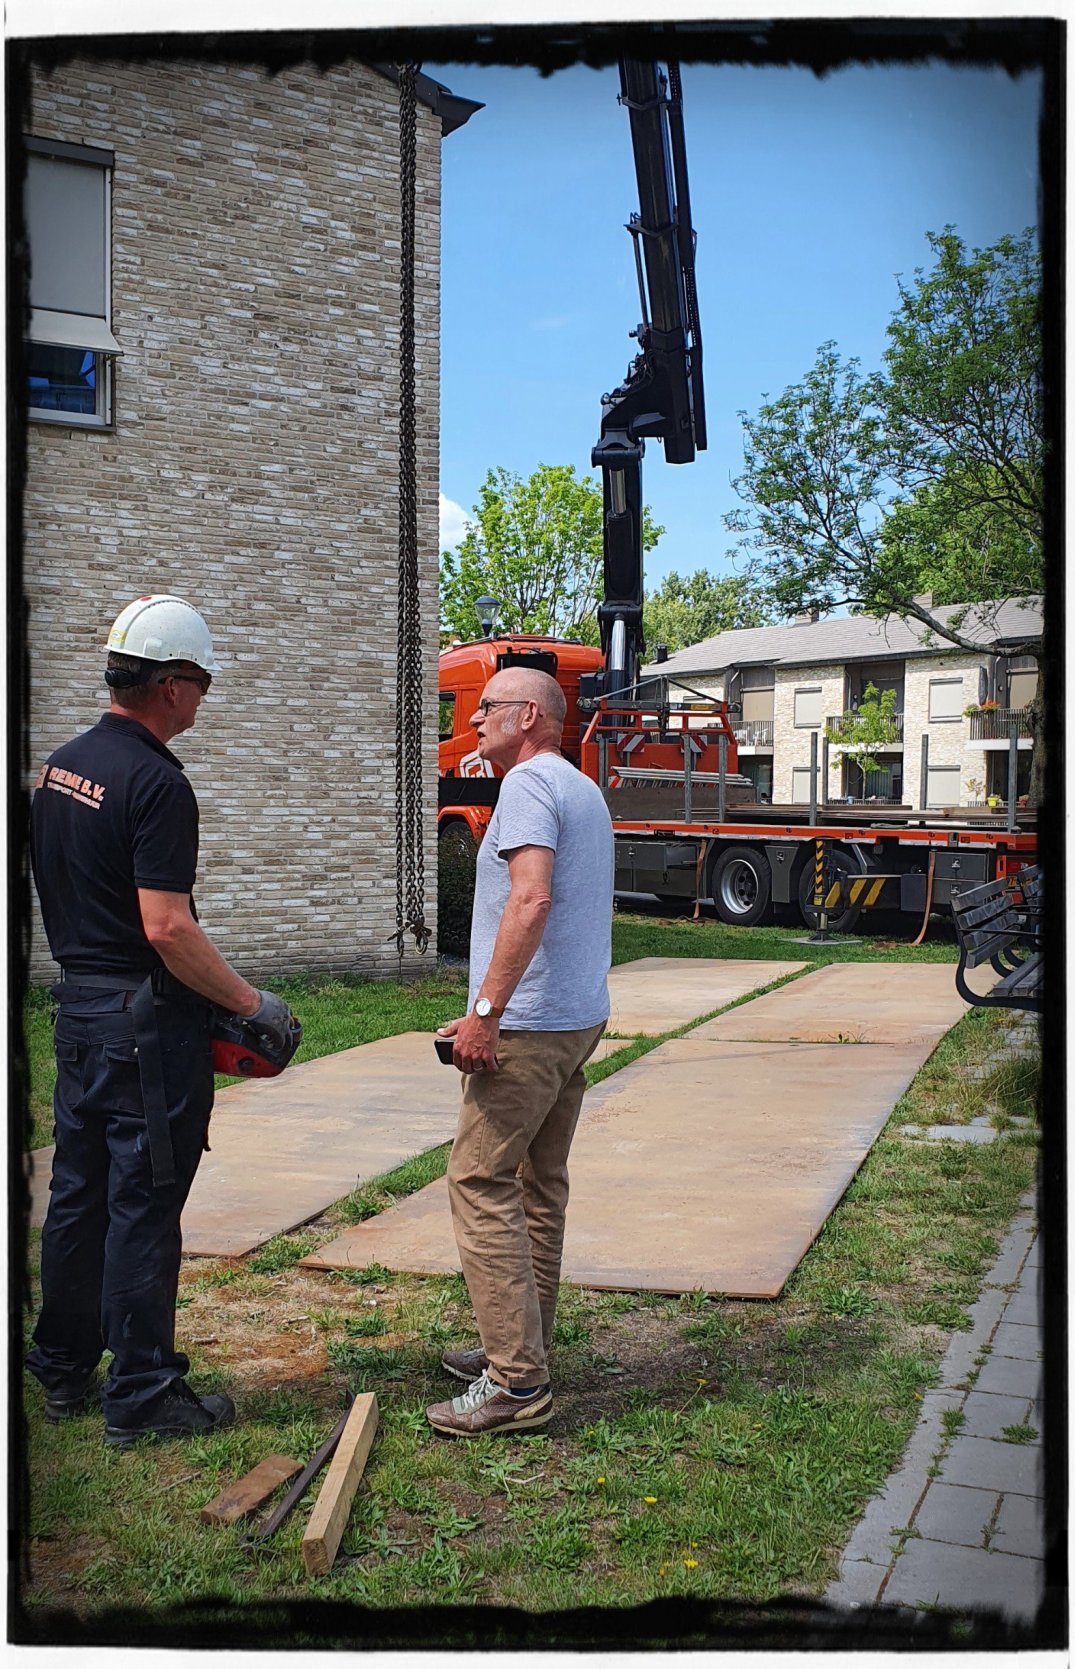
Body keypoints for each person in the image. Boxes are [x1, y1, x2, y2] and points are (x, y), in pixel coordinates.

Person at [26, 594, 296, 1447]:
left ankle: (61, 1365)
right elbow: (167, 927)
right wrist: (250, 1003)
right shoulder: (156, 783)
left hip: (80, 1012)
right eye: (202, 683)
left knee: (78, 1196)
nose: (203, 698)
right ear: (173, 684)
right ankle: (142, 1392)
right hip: (142, 1025)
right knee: (144, 1203)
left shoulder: (60, 768)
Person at [426, 667, 614, 1437]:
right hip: (574, 1018)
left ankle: (515, 1381)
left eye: (486, 707)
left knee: (477, 1178)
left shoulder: (529, 784)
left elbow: (531, 898)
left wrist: (486, 1012)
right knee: (539, 1184)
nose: (473, 720)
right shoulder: (580, 787)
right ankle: (521, 1345)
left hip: (531, 1027)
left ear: (528, 715)